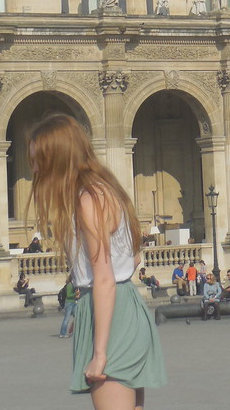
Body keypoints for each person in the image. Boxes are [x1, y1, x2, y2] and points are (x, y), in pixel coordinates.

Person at [28, 113, 166, 406]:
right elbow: (134, 257)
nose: (34, 169)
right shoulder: (106, 190)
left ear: (56, 158)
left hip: (111, 314)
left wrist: (100, 353)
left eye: (37, 160)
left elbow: (104, 279)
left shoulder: (88, 200)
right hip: (123, 308)